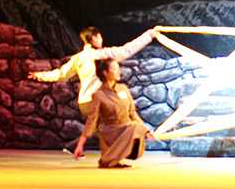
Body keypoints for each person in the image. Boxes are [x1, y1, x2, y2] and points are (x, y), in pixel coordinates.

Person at [28, 25, 158, 153]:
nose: (101, 39)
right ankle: (119, 151)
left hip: (85, 102)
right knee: (117, 125)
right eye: (100, 37)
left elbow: (61, 74)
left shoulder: (79, 58)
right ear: (94, 38)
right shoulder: (102, 54)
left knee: (103, 129)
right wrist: (149, 35)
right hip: (100, 101)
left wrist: (40, 76)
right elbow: (126, 50)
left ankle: (77, 147)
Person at [74, 58, 157, 168]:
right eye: (115, 69)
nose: (119, 72)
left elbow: (132, 113)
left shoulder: (123, 89)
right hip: (111, 132)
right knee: (135, 126)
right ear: (105, 73)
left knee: (136, 126)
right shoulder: (98, 95)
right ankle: (109, 159)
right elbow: (91, 120)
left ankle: (115, 158)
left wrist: (146, 131)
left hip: (127, 128)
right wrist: (80, 145)